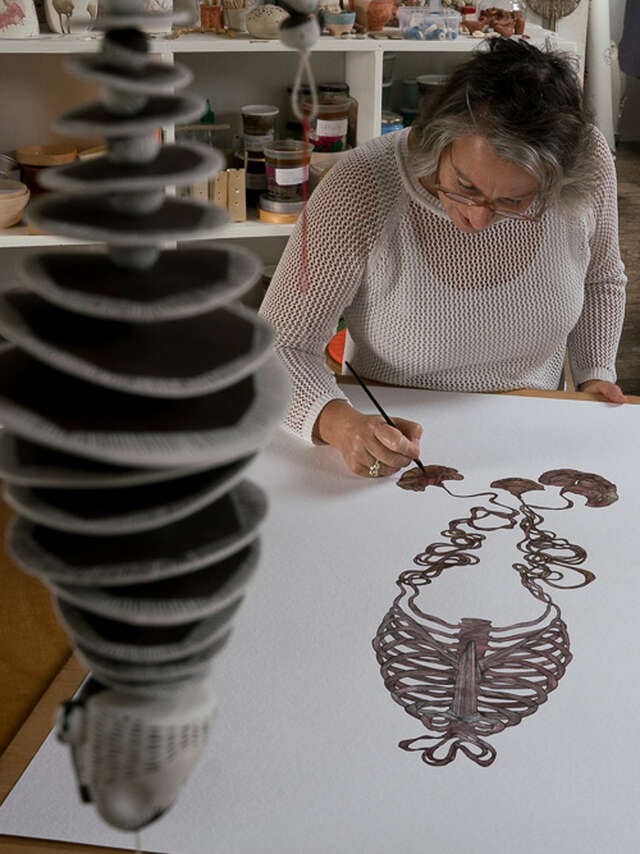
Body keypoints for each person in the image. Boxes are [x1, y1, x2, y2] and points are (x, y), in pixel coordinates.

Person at [260, 39, 627, 479]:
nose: (477, 217)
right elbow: (280, 348)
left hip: (531, 428)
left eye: (515, 200)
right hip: (394, 435)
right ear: (437, 141)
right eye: (465, 186)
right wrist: (338, 423)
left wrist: (592, 377)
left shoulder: (587, 163)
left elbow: (600, 277)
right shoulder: (359, 187)